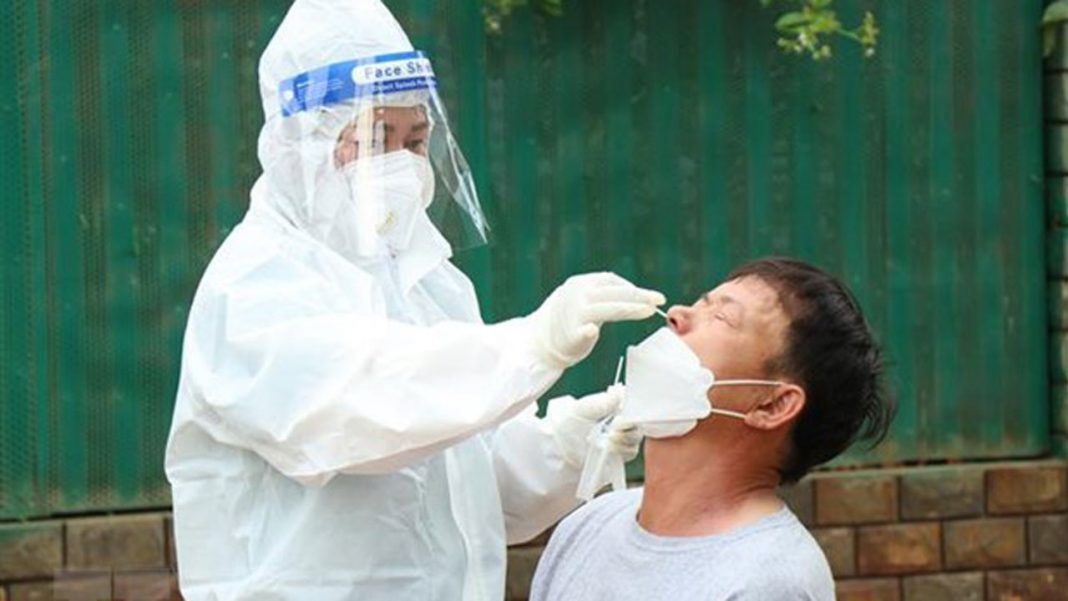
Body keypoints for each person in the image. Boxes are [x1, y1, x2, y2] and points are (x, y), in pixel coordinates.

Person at [163, 1, 663, 600]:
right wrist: (528, 346)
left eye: (416, 138)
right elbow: (357, 410)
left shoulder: (430, 281)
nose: (399, 160)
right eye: (376, 136)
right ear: (304, 144)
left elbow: (470, 488)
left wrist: (564, 445)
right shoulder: (256, 284)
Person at [531, 257, 895, 601]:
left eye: (720, 317)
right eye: (698, 303)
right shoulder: (588, 526)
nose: (676, 315)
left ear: (771, 405)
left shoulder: (768, 581)